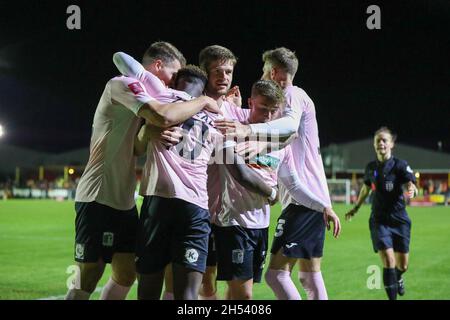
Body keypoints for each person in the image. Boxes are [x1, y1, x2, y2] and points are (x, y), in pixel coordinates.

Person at [66, 42, 219, 300]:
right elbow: (161, 115)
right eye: (173, 75)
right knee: (88, 275)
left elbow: (136, 149)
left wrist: (148, 133)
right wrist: (203, 100)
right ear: (157, 67)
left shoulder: (150, 95)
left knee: (126, 274)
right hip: (98, 195)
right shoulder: (123, 84)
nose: (173, 85)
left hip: (125, 201)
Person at [215, 47, 341, 300]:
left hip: (302, 197)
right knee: (308, 274)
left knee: (277, 275)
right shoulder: (296, 99)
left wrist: (249, 132)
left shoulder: (292, 94)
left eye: (264, 71)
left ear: (272, 72)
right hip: (312, 196)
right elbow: (286, 134)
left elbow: (289, 128)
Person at [345, 127, 417, 300]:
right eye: (378, 140)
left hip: (400, 220)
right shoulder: (370, 167)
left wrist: (411, 189)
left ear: (391, 143)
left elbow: (410, 182)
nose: (381, 143)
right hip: (379, 220)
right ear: (374, 144)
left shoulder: (400, 165)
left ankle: (398, 277)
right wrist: (355, 208)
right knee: (388, 262)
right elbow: (365, 189)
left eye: (384, 140)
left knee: (403, 265)